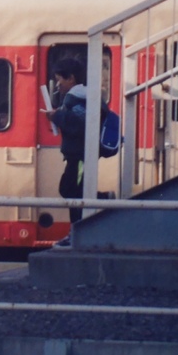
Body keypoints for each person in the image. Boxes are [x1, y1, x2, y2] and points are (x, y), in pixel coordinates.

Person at [47, 57, 119, 248]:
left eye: (59, 79)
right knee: (73, 191)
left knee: (71, 191)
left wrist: (57, 116)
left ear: (70, 78)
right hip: (80, 155)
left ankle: (82, 226)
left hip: (80, 156)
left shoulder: (76, 96)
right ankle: (76, 231)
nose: (58, 84)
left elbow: (81, 123)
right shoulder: (85, 96)